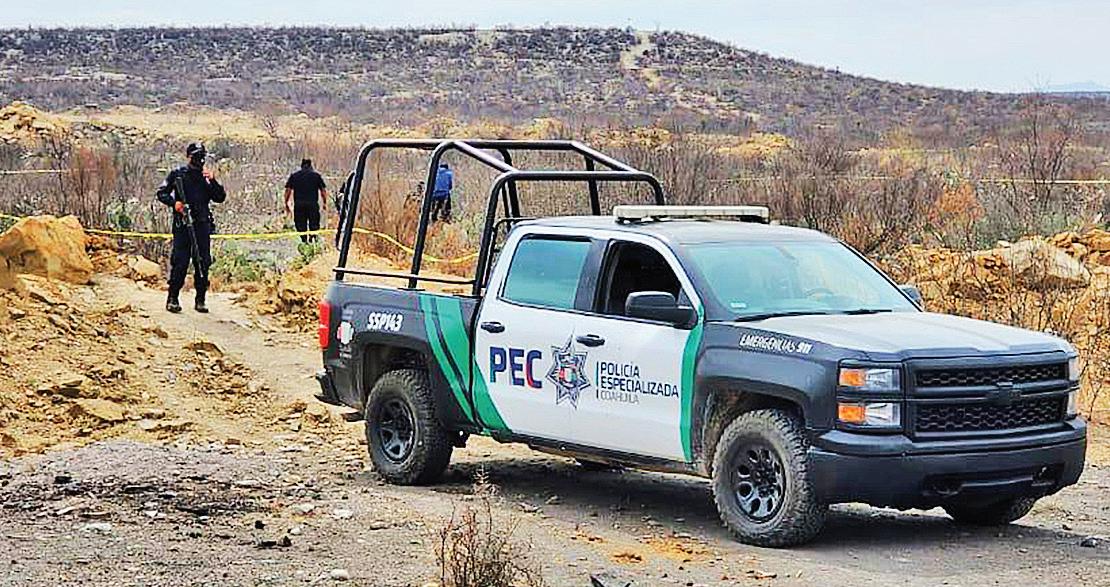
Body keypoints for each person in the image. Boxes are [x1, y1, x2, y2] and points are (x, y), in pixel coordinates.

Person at [156, 142, 226, 314]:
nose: (199, 160)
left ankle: (200, 299)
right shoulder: (178, 175)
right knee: (180, 263)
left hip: (202, 225)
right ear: (188, 157)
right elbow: (162, 193)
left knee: (203, 263)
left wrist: (213, 180)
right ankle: (173, 298)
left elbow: (220, 197)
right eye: (196, 156)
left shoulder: (206, 177)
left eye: (201, 156)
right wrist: (175, 204)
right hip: (183, 226)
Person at [284, 158, 328, 243]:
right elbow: (323, 191)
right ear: (311, 166)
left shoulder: (295, 176)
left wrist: (286, 202)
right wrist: (324, 202)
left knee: (300, 224)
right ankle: (312, 239)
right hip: (313, 204)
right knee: (314, 223)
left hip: (299, 204)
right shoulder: (316, 176)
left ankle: (304, 240)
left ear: (301, 166)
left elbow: (288, 190)